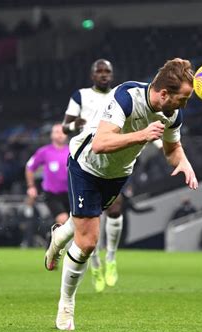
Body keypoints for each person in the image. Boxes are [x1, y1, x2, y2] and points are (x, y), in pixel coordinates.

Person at [46, 58, 198, 330]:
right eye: (183, 99)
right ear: (164, 93)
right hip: (86, 165)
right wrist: (142, 135)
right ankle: (66, 306)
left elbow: (172, 149)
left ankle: (58, 235)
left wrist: (183, 162)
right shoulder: (126, 96)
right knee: (88, 241)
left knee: (80, 222)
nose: (184, 105)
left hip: (117, 173)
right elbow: (101, 144)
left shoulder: (173, 113)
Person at [61, 59, 124, 293]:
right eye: (100, 71)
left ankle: (112, 258)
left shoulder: (119, 95)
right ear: (92, 75)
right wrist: (74, 124)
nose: (104, 74)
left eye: (108, 71)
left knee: (116, 209)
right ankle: (95, 265)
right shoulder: (81, 96)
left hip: (113, 161)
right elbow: (63, 127)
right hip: (86, 163)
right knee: (90, 219)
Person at [25, 123, 70, 225]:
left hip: (70, 194)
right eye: (57, 132)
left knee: (74, 223)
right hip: (52, 194)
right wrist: (31, 186)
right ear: (52, 135)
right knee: (63, 219)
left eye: (63, 132)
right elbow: (29, 167)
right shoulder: (44, 151)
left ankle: (52, 237)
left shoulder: (72, 150)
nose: (60, 135)